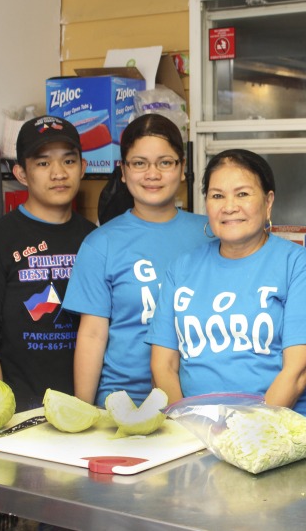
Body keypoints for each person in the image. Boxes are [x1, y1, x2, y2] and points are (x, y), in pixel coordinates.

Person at [146, 149, 306, 424]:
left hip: (280, 431)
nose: (229, 206)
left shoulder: (298, 264)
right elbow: (164, 366)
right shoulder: (181, 269)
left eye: (242, 194)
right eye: (217, 195)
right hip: (196, 432)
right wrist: (187, 427)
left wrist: (246, 436)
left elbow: (300, 370)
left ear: (268, 202)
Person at [63, 114, 208, 407]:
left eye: (165, 162)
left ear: (182, 169)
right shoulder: (100, 244)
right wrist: (83, 412)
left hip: (200, 400)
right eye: (139, 163)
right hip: (124, 404)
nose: (152, 174)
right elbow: (92, 335)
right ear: (124, 171)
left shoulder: (210, 234)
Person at [0, 115, 96, 411]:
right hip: (19, 412)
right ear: (21, 173)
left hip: (84, 410)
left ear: (83, 168)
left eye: (69, 162)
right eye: (43, 163)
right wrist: (1, 412)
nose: (59, 173)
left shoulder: (96, 240)